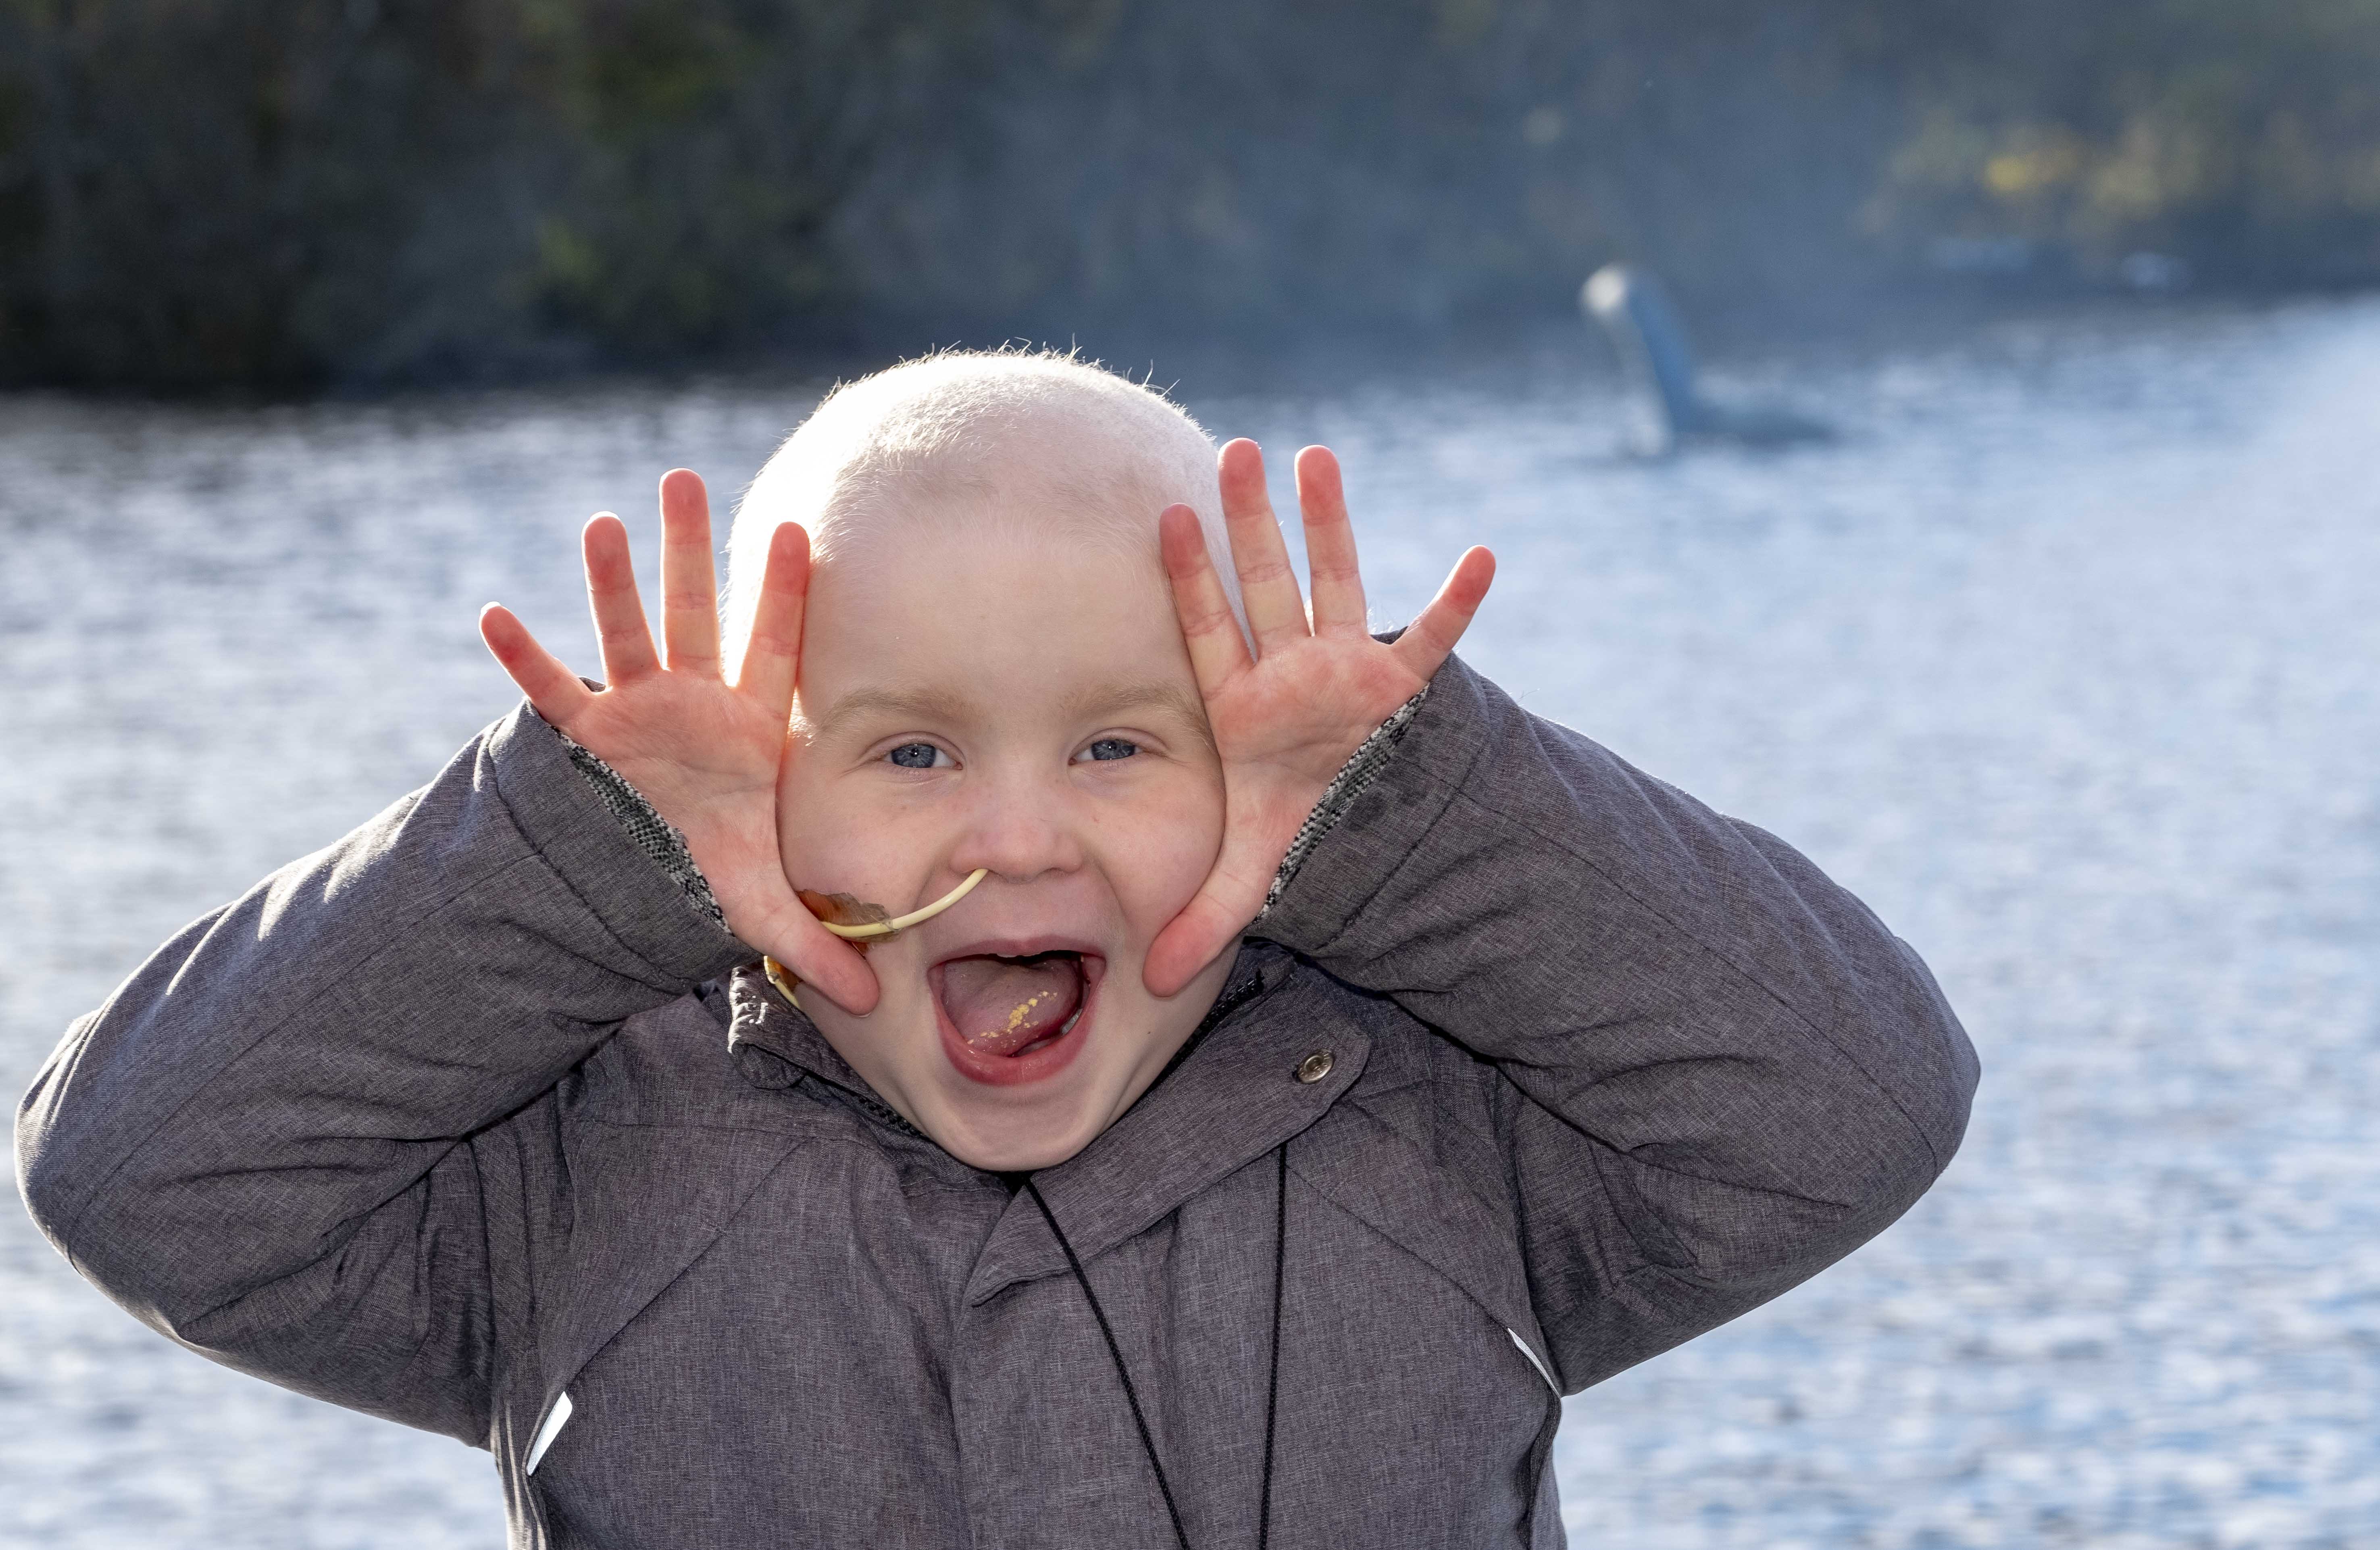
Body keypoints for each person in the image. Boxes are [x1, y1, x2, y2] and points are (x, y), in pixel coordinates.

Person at [17, 350, 1978, 1548]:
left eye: (1123, 746)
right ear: (757, 808)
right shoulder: (570, 1170)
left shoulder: (1445, 1122)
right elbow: (143, 1172)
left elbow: (1856, 1099)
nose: (1017, 832)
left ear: (1262, 793)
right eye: (911, 749)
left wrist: (1418, 806)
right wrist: (579, 853)